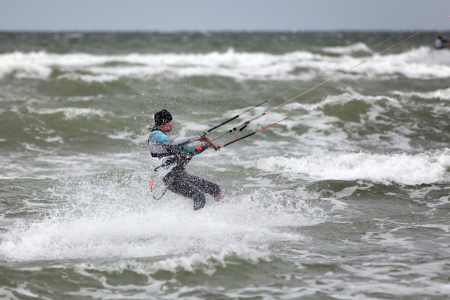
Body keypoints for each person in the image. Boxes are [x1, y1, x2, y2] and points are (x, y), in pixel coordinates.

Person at [148, 109, 225, 210]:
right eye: (170, 121)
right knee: (199, 196)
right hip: (172, 179)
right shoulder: (155, 135)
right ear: (165, 122)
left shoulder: (166, 139)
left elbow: (189, 152)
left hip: (180, 175)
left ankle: (228, 208)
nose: (172, 124)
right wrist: (196, 138)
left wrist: (206, 146)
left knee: (214, 188)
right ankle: (196, 221)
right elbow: (174, 142)